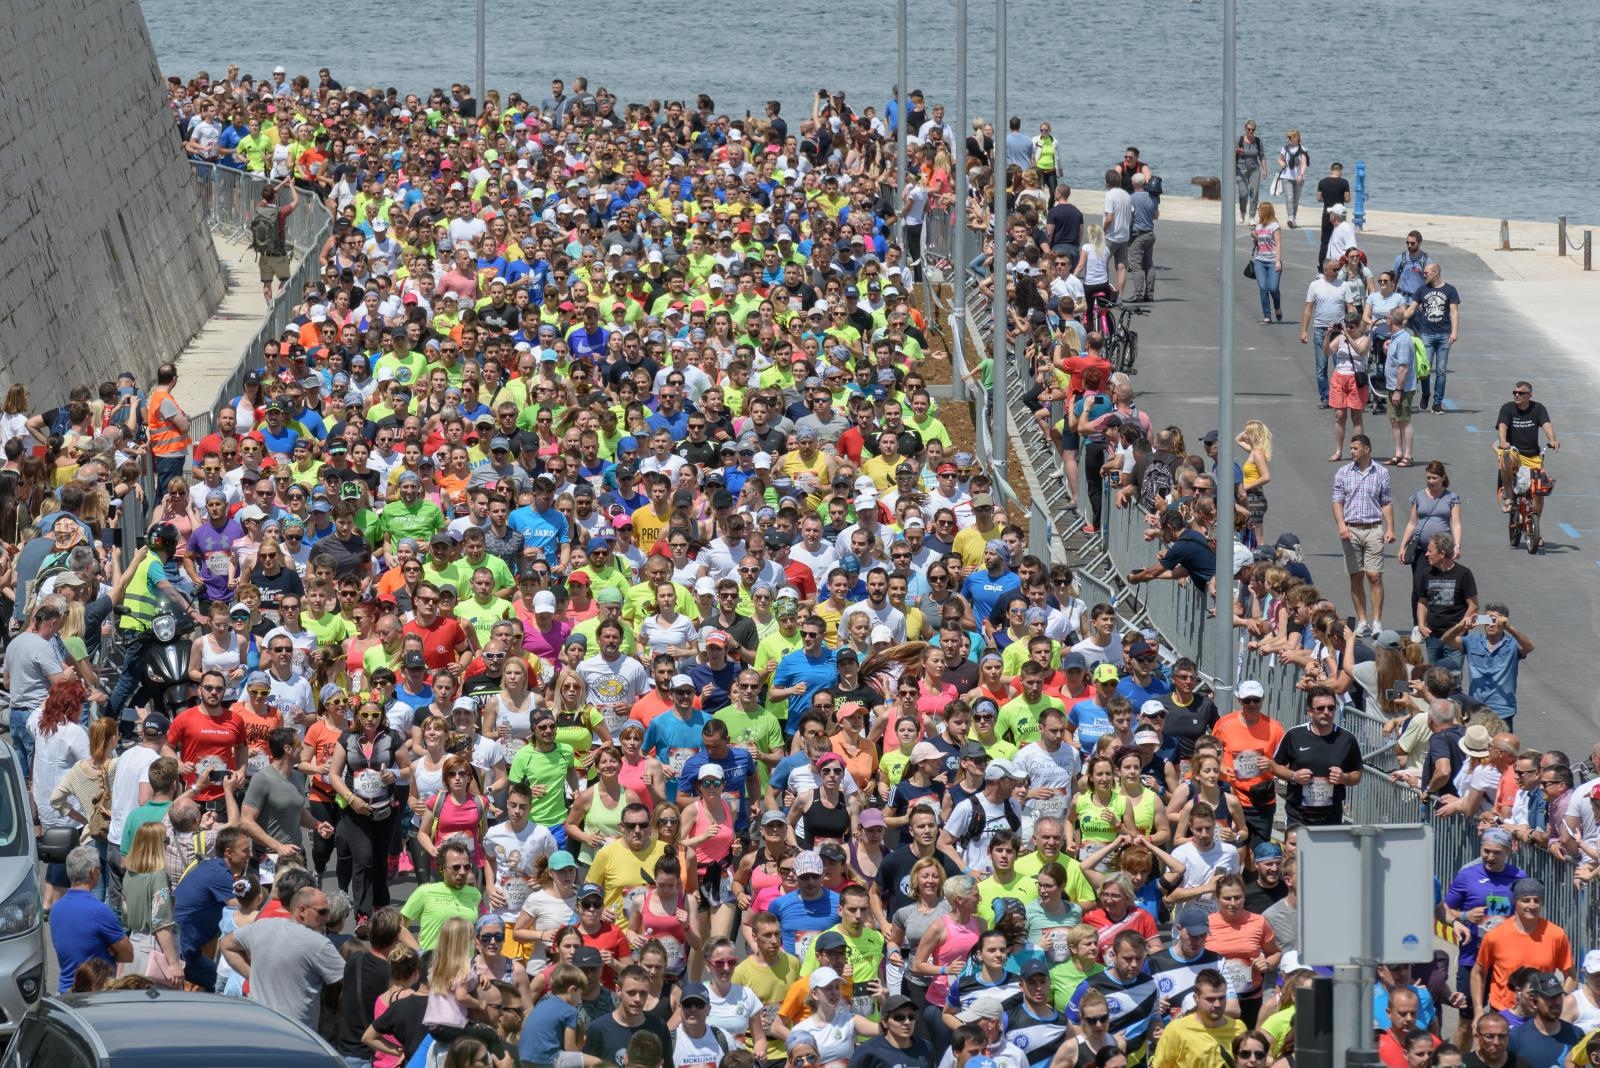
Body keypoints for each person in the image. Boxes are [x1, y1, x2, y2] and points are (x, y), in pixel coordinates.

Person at [219, 884, 346, 1029]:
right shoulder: (319, 944)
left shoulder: (262, 926)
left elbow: (225, 944)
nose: (327, 917)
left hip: (259, 1025)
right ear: (303, 911)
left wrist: (251, 975)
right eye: (322, 912)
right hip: (298, 1034)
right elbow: (349, 980)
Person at [1472, 879, 1574, 1019]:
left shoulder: (1556, 935)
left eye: (1536, 900)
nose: (1532, 905)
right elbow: (1478, 972)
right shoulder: (1495, 936)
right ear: (1515, 902)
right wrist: (1478, 1010)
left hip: (1540, 1016)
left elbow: (1571, 976)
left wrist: (1558, 1002)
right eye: (1525, 900)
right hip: (1503, 1014)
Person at [1331, 435, 1395, 638]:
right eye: (1350, 448)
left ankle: (1377, 621)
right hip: (1351, 529)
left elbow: (1386, 502)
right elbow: (1337, 501)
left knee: (1374, 576)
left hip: (1373, 528)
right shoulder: (1343, 472)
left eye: (1355, 448)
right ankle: (1362, 620)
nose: (1352, 451)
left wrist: (1390, 528)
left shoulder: (1381, 473)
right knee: (1356, 575)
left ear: (1367, 449)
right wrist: (1341, 525)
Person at [1271, 687, 1363, 826]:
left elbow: (1357, 774)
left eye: (1331, 708)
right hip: (1298, 814)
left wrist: (1344, 778)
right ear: (1309, 711)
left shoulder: (1347, 738)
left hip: (1331, 816)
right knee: (1296, 849)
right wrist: (1294, 776)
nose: (1326, 712)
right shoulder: (1294, 735)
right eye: (1320, 708)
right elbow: (1275, 765)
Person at [51, 843, 132, 992]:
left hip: (65, 992)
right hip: (95, 993)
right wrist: (111, 948)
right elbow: (128, 954)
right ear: (93, 872)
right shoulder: (99, 911)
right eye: (100, 869)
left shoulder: (56, 909)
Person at [1151, 968, 1246, 1068]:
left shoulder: (1239, 1028)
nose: (1217, 1004)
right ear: (1196, 999)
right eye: (1210, 999)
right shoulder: (1176, 1030)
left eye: (1221, 998)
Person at [1494, 381, 1558, 522]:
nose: (1517, 395)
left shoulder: (1538, 408)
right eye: (1515, 393)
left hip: (1532, 455)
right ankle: (1509, 497)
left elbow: (1546, 424)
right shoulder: (1507, 408)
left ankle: (1535, 526)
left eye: (1521, 393)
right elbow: (1502, 426)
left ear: (1529, 395)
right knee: (1505, 461)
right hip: (1514, 451)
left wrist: (1553, 439)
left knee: (1539, 492)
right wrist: (1503, 442)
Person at [1406, 262, 1461, 413]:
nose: (1424, 275)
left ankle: (1437, 403)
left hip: (1444, 334)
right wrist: (1398, 321)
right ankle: (1425, 393)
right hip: (1427, 333)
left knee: (1441, 370)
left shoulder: (1450, 290)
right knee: (1425, 368)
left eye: (1426, 273)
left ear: (1435, 272)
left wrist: (1454, 332)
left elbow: (1454, 312)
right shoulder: (1421, 290)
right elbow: (1411, 309)